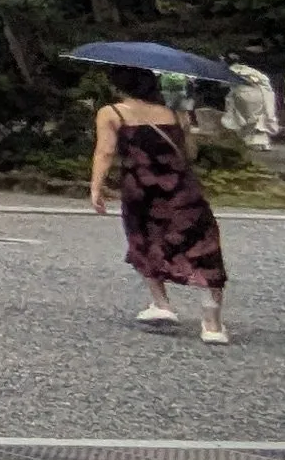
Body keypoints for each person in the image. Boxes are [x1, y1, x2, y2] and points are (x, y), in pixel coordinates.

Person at [89, 64, 231, 344]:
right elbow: (189, 151)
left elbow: (105, 152)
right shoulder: (175, 111)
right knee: (202, 246)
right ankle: (212, 324)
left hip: (140, 190)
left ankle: (162, 304)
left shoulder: (112, 113)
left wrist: (96, 187)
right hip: (181, 188)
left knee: (145, 241)